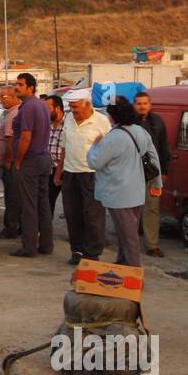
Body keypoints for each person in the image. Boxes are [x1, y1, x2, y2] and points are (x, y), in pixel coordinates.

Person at [87, 98, 162, 268]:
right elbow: (154, 157)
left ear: (113, 116)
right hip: (136, 191)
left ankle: (133, 270)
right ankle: (123, 264)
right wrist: (157, 184)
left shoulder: (113, 138)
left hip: (118, 193)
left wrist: (94, 146)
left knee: (128, 235)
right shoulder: (140, 132)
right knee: (126, 231)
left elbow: (95, 162)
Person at [55, 90, 111, 265]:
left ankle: (92, 253)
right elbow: (64, 147)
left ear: (87, 104)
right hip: (71, 173)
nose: (73, 110)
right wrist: (59, 172)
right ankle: (77, 250)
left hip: (92, 174)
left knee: (93, 215)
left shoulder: (101, 121)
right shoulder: (69, 120)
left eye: (75, 106)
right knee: (73, 214)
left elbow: (109, 149)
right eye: (70, 107)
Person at [9, 72, 53, 258]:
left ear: (30, 88)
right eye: (16, 84)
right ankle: (46, 245)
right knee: (43, 204)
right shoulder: (41, 106)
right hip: (43, 158)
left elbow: (26, 136)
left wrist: (17, 160)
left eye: (20, 84)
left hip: (31, 160)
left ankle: (29, 247)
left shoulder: (27, 108)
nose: (16, 87)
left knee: (29, 205)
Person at [132, 91, 170, 256]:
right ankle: (129, 242)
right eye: (139, 103)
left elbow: (163, 148)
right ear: (134, 105)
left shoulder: (158, 122)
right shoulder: (129, 123)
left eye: (145, 103)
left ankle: (152, 245)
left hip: (152, 173)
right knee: (131, 208)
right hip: (132, 172)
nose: (142, 106)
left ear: (150, 104)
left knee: (152, 208)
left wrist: (164, 171)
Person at [0, 87, 21, 238]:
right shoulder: (12, 113)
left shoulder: (13, 115)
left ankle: (10, 228)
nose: (1, 100)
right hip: (9, 162)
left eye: (3, 97)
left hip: (9, 163)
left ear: (13, 97)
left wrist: (8, 160)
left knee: (12, 196)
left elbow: (10, 139)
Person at [45, 95, 66, 217]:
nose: (45, 111)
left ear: (57, 108)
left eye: (48, 108)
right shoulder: (48, 125)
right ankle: (45, 231)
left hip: (66, 170)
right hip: (50, 169)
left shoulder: (69, 124)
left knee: (71, 205)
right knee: (47, 202)